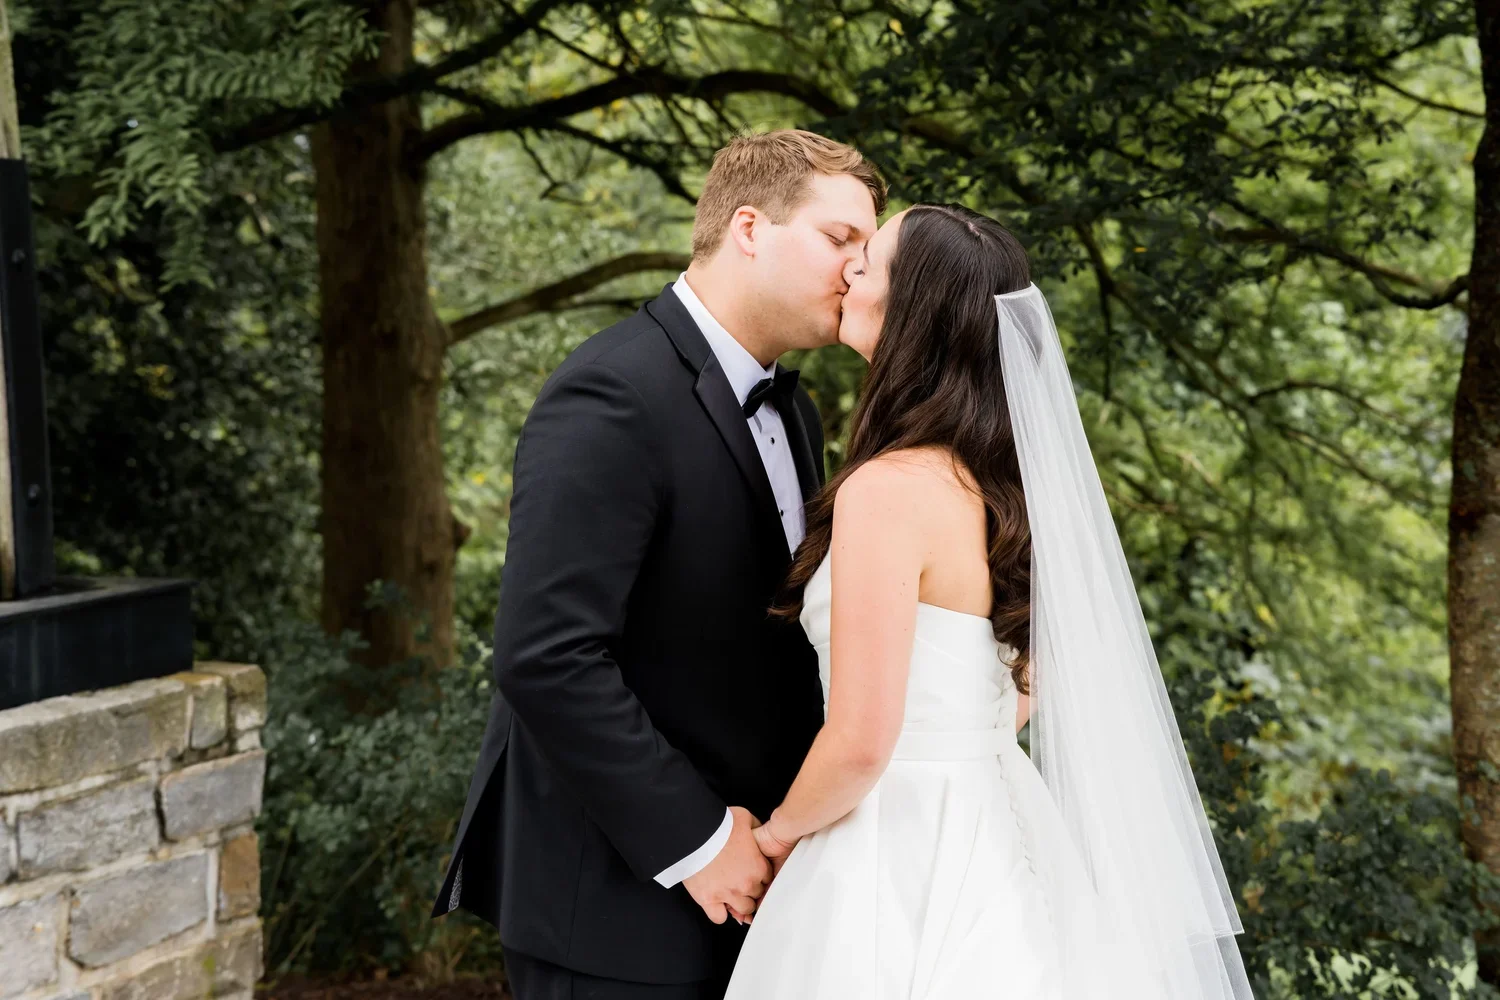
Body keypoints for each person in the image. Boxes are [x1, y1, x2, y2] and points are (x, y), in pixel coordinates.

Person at [722, 204, 1255, 1000]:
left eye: (868, 259)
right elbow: (1024, 687)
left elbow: (865, 740)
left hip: (888, 847)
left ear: (913, 311)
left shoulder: (888, 491)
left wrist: (777, 837)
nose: (848, 269)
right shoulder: (1010, 489)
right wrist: (957, 745)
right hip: (1001, 818)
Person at [429, 129, 885, 999]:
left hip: (752, 898)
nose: (859, 272)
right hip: (613, 904)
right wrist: (703, 842)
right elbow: (546, 657)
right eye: (840, 241)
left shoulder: (798, 414)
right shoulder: (610, 393)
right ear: (749, 227)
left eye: (869, 250)